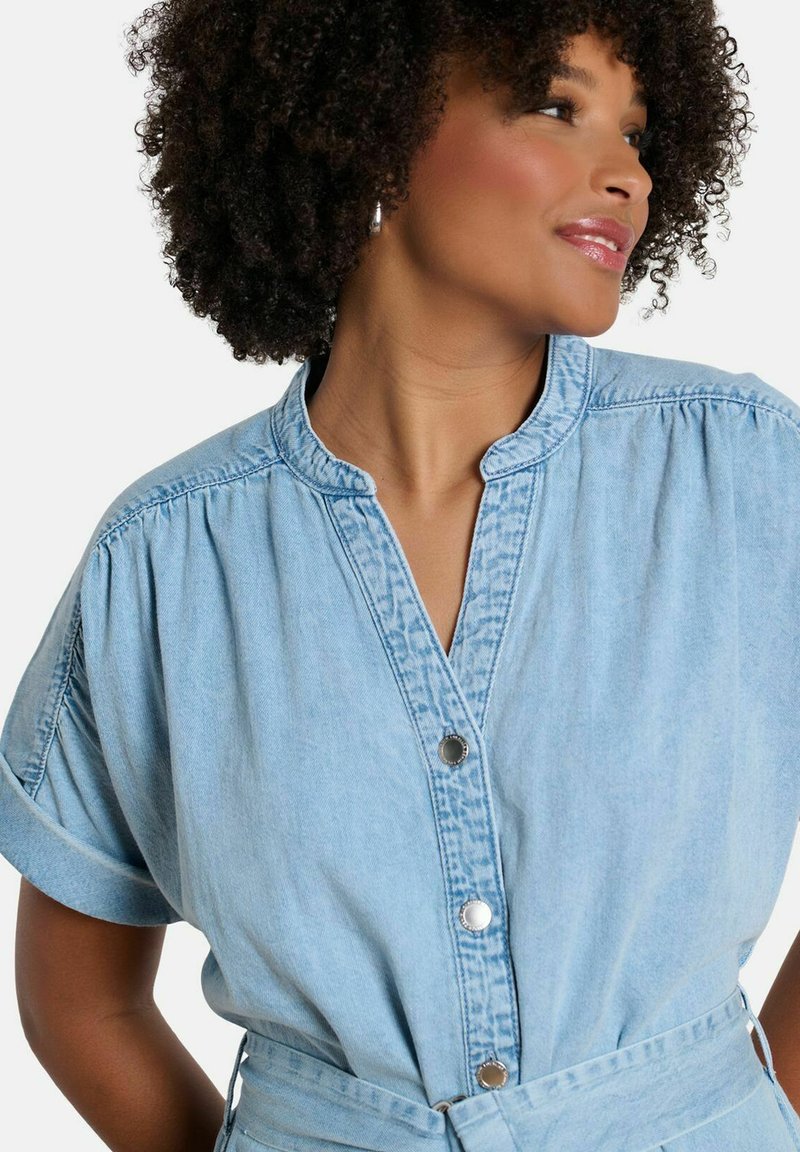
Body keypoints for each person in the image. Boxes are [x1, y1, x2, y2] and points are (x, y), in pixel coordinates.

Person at [1, 2, 799, 1150]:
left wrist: (749, 1119)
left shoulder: (742, 471)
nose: (626, 173)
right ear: (368, 125)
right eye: (557, 107)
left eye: (636, 131)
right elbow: (82, 1004)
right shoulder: (165, 561)